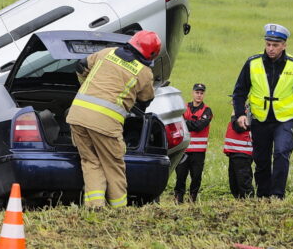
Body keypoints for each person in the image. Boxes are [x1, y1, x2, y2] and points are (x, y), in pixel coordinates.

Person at [66, 30, 159, 208]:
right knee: (113, 166)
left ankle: (95, 207)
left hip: (77, 115)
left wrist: (85, 85)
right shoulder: (145, 73)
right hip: (106, 124)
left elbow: (81, 65)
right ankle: (119, 212)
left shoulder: (107, 53)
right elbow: (146, 100)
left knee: (90, 161)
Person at [232, 23, 293, 199]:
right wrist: (241, 113)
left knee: (281, 152)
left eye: (275, 45)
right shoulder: (252, 63)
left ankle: (277, 195)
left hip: (284, 119)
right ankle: (263, 195)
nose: (271, 49)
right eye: (268, 44)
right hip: (259, 118)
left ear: (284, 45)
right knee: (261, 159)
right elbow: (240, 91)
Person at [174, 83, 213, 203]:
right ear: (192, 93)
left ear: (204, 95)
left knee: (196, 177)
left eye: (201, 93)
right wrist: (191, 123)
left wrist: (186, 122)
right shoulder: (184, 107)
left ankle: (193, 198)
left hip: (198, 151)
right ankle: (178, 198)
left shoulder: (207, 110)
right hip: (183, 149)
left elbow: (199, 126)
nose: (199, 95)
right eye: (197, 92)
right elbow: (178, 123)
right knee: (180, 176)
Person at [223, 97, 254, 199]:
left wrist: (234, 116)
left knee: (243, 182)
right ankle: (239, 203)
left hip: (243, 152)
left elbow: (239, 127)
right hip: (234, 152)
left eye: (235, 100)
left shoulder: (247, 112)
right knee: (234, 182)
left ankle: (249, 203)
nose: (232, 102)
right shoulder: (239, 113)